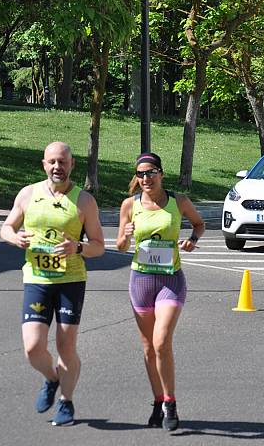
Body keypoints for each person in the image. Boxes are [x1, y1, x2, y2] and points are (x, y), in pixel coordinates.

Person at [0, 142, 105, 426]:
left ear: (72, 165)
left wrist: (79, 247)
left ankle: (66, 402)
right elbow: (6, 227)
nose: (57, 167)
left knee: (66, 346)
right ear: (44, 164)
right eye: (52, 162)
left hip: (71, 280)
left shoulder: (84, 201)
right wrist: (14, 237)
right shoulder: (27, 194)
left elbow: (99, 246)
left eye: (63, 162)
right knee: (33, 347)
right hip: (37, 278)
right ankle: (51, 378)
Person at [116, 152, 205, 431]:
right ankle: (157, 401)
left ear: (161, 174)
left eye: (151, 172)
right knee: (147, 347)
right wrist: (126, 236)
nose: (146, 178)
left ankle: (170, 402)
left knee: (161, 341)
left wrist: (191, 239)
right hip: (141, 281)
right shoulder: (130, 205)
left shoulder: (178, 201)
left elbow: (199, 224)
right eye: (141, 173)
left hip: (170, 281)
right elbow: (120, 246)